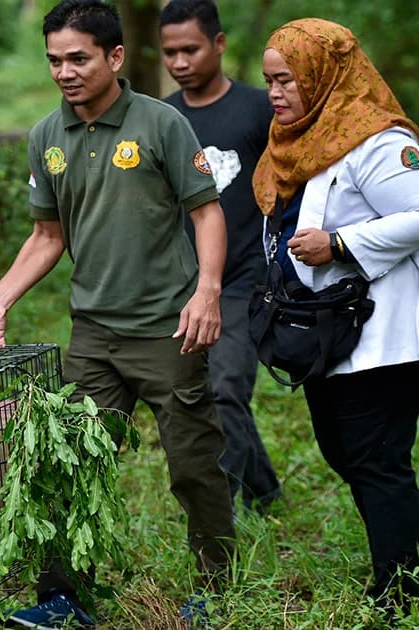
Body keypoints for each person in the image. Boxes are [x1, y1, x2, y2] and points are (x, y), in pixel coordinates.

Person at [0, 1, 235, 627]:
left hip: (169, 329)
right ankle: (62, 597)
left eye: (78, 58)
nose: (65, 72)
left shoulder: (161, 125)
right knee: (69, 467)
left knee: (192, 464)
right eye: (54, 60)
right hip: (93, 334)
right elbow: (47, 236)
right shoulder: (46, 137)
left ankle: (216, 587)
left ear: (114, 56)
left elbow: (207, 212)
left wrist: (207, 291)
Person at [253, 18, 419, 613]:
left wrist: (339, 244)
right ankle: (400, 565)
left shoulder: (379, 141)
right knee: (343, 451)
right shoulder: (298, 139)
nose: (276, 93)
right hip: (331, 332)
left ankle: (404, 589)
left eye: (287, 79)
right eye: (268, 81)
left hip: (389, 332)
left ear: (323, 74)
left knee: (375, 456)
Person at [160, 0, 282, 513]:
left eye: (190, 49)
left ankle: (221, 512)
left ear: (219, 44)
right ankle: (265, 489)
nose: (180, 62)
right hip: (185, 281)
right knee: (200, 395)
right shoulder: (164, 117)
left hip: (247, 276)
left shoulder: (258, 109)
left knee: (226, 386)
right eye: (169, 52)